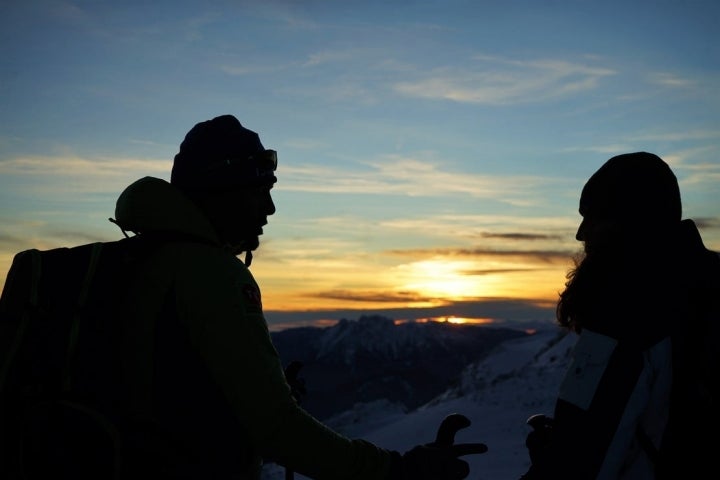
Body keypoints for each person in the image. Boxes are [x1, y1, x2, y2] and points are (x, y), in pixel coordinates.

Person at [108, 114, 488, 479]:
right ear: (222, 192)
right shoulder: (210, 274)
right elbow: (276, 428)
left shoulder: (135, 262)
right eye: (261, 191)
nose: (270, 208)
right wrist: (396, 470)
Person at [520, 151, 719, 479]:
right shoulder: (705, 285)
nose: (581, 234)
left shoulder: (627, 307)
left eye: (593, 217)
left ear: (629, 220)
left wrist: (554, 455)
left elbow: (581, 460)